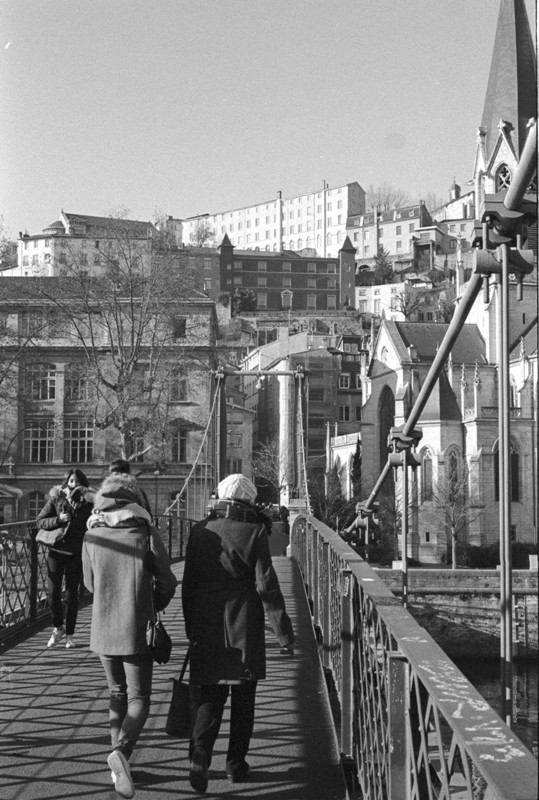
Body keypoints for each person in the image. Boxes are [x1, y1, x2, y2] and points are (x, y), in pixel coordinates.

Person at [182, 473, 295, 793]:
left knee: (210, 692)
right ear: (248, 500)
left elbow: (188, 584)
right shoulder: (254, 530)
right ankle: (235, 764)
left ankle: (200, 752)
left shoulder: (200, 530)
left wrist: (191, 625)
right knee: (244, 699)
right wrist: (284, 634)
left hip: (207, 620)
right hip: (244, 620)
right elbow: (266, 585)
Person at [82, 472, 178, 799]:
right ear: (134, 499)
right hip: (136, 626)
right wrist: (152, 604)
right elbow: (168, 582)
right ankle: (121, 751)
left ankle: (117, 768)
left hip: (103, 626)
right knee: (140, 698)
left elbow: (89, 585)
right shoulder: (145, 531)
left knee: (117, 693)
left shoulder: (91, 535)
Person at [36, 468, 95, 649]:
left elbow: (96, 524)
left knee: (71, 596)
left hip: (75, 555)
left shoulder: (89, 504)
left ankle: (69, 634)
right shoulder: (57, 499)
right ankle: (57, 628)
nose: (74, 484)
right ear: (66, 482)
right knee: (53, 594)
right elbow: (39, 521)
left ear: (83, 484)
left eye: (77, 481)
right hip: (56, 552)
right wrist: (58, 520)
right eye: (71, 481)